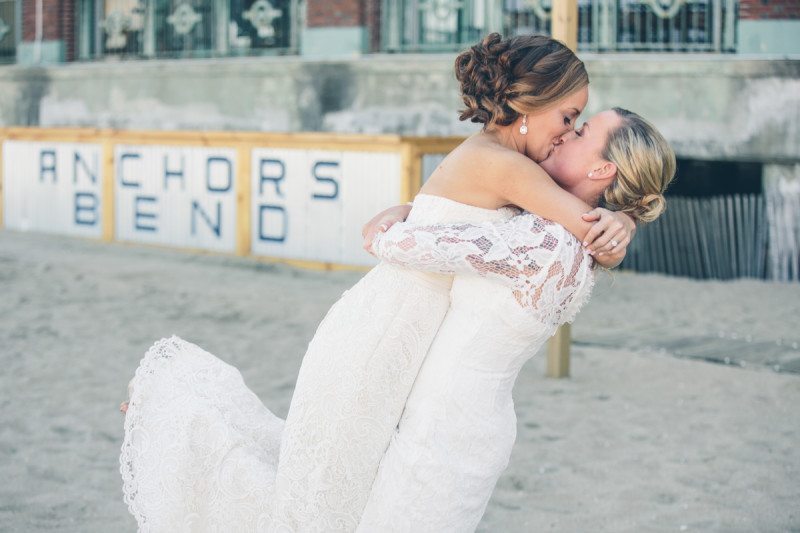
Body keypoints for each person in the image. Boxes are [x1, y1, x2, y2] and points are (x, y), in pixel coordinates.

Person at [119, 33, 635, 531]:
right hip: (384, 333)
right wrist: (624, 220)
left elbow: (519, 232)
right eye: (568, 118)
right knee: (317, 504)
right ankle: (174, 415)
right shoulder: (507, 168)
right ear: (528, 106)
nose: (569, 133)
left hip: (396, 328)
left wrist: (626, 217)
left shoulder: (498, 158)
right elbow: (584, 227)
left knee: (329, 494)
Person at [355, 107, 676, 532]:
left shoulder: (547, 241)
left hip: (447, 430)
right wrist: (626, 218)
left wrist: (395, 218)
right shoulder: (558, 227)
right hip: (456, 418)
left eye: (579, 132)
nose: (563, 136)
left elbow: (404, 243)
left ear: (603, 168)